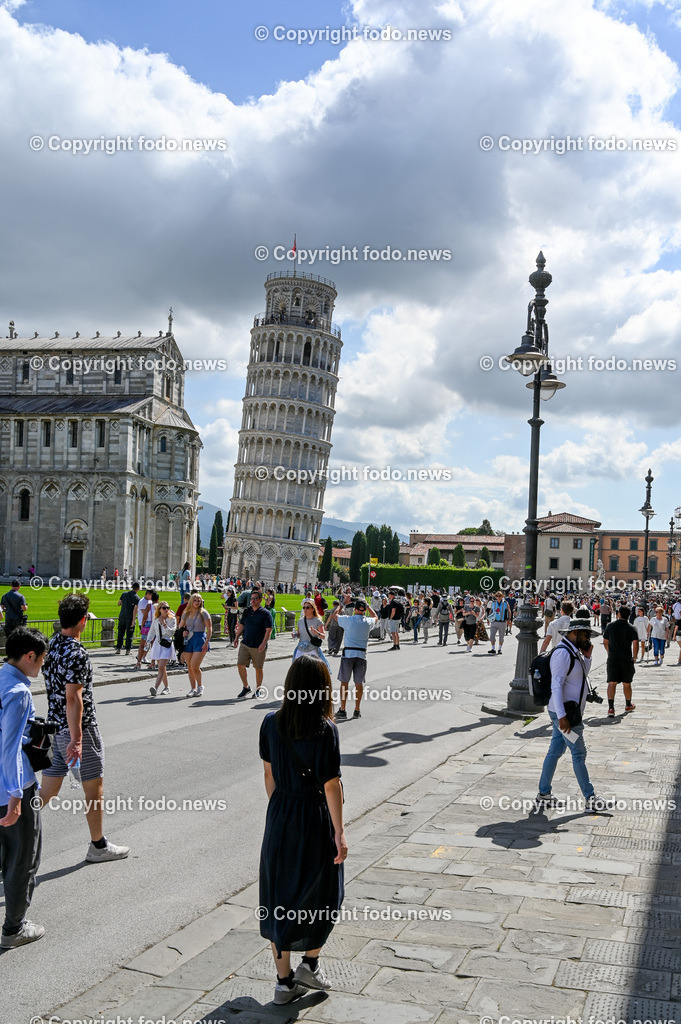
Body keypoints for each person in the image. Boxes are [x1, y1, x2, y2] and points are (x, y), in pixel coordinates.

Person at [259, 656, 346, 1004]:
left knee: (279, 895)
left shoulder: (269, 723)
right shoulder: (325, 729)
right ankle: (310, 961)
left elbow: (269, 775)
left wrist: (281, 807)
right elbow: (331, 785)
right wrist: (340, 832)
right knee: (324, 891)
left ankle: (283, 983)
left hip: (281, 812)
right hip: (314, 815)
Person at [40, 595, 130, 863]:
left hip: (53, 726)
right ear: (82, 621)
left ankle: (9, 825)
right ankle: (98, 846)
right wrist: (77, 739)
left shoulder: (54, 643)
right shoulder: (77, 653)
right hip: (79, 728)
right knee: (94, 788)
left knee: (47, 791)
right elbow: (74, 698)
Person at [0, 627, 48, 949]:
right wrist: (16, 795)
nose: (41, 667)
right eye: (41, 660)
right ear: (29, 656)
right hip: (15, 787)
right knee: (24, 857)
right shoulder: (19, 692)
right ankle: (14, 927)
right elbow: (11, 749)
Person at [536, 618, 605, 811]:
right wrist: (561, 717)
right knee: (579, 752)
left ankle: (543, 794)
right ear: (574, 633)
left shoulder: (574, 652)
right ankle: (591, 798)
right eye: (586, 635)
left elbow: (580, 677)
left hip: (567, 712)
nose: (588, 639)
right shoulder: (562, 654)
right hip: (566, 714)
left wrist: (588, 657)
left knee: (556, 750)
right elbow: (556, 687)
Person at [327, 599, 378, 720]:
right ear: (364, 610)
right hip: (361, 655)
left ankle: (343, 709)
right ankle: (357, 709)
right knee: (358, 683)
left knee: (344, 682)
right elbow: (375, 616)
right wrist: (368, 605)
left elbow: (335, 616)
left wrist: (341, 604)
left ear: (355, 609)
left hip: (348, 654)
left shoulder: (348, 620)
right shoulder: (367, 621)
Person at [234, 590, 273, 698]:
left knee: (258, 668)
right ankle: (246, 687)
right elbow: (241, 625)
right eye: (252, 598)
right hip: (246, 643)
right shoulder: (247, 611)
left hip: (258, 645)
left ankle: (258, 689)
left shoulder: (265, 613)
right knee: (240, 664)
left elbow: (268, 630)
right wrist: (236, 637)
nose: (253, 600)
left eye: (255, 598)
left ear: (260, 600)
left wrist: (264, 643)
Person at [603, 605, 638, 717]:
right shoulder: (631, 628)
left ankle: (611, 708)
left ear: (618, 614)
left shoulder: (611, 626)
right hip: (626, 658)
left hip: (613, 658)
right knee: (627, 683)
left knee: (611, 683)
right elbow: (635, 643)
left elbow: (605, 641)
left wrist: (609, 651)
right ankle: (628, 705)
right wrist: (635, 656)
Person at [179, 593, 212, 697]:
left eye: (199, 600)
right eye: (195, 600)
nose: (197, 602)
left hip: (200, 639)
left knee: (195, 666)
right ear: (191, 601)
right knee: (189, 667)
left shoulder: (204, 613)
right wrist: (183, 631)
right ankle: (192, 688)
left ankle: (200, 686)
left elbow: (209, 628)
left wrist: (207, 641)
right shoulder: (186, 613)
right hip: (188, 639)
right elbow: (180, 626)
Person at [147, 602, 177, 697]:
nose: (166, 609)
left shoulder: (172, 619)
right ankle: (167, 687)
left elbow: (171, 632)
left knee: (161, 667)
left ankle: (155, 687)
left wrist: (164, 624)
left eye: (167, 608)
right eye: (164, 608)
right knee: (162, 668)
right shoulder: (155, 620)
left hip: (167, 644)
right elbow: (152, 632)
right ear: (159, 609)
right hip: (158, 644)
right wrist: (147, 641)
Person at [292, 601, 329, 667]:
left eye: (307, 607)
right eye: (304, 607)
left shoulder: (318, 621)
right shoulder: (300, 621)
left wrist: (317, 633)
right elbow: (299, 635)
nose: (305, 609)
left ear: (313, 609)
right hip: (301, 649)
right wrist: (295, 635)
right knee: (297, 670)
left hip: (312, 650)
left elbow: (323, 636)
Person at [115, 581, 140, 655]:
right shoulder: (137, 598)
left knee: (120, 633)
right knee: (129, 635)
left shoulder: (124, 594)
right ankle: (127, 650)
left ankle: (118, 648)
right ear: (138, 589)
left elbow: (119, 603)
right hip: (129, 618)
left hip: (122, 616)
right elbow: (135, 610)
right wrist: (133, 620)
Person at [134, 588, 154, 669]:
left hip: (147, 623)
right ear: (148, 594)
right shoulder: (142, 602)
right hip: (144, 624)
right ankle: (141, 656)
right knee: (145, 642)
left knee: (148, 642)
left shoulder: (149, 602)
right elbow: (144, 614)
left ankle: (142, 656)